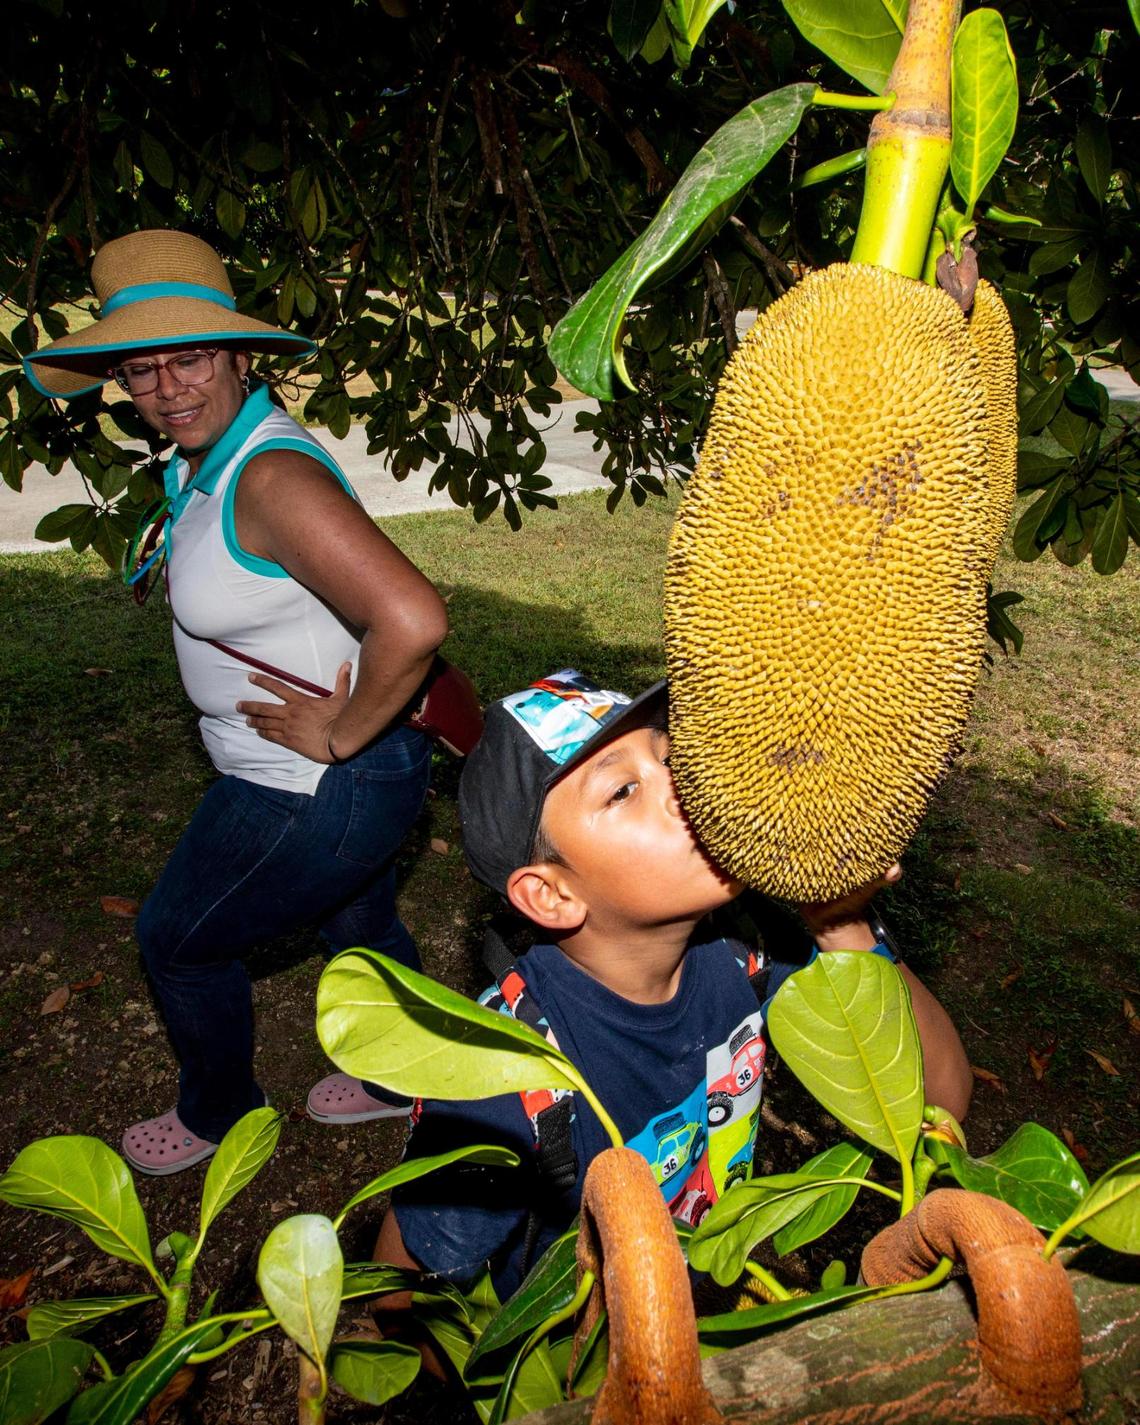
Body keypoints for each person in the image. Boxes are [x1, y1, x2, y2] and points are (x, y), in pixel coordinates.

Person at [24, 230, 450, 1174]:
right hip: (348, 773)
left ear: (238, 358)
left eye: (190, 360)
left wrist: (339, 735)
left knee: (175, 940)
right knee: (360, 923)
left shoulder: (269, 474)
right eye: (143, 372)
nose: (169, 389)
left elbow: (413, 617)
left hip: (311, 778)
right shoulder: (208, 460)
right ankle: (405, 1073)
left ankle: (221, 1112)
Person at [372, 670, 972, 1309]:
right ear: (551, 895)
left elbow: (942, 1097)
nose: (690, 788)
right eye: (623, 789)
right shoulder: (500, 1081)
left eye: (673, 757)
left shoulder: (751, 949)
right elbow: (401, 1293)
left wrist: (840, 921)